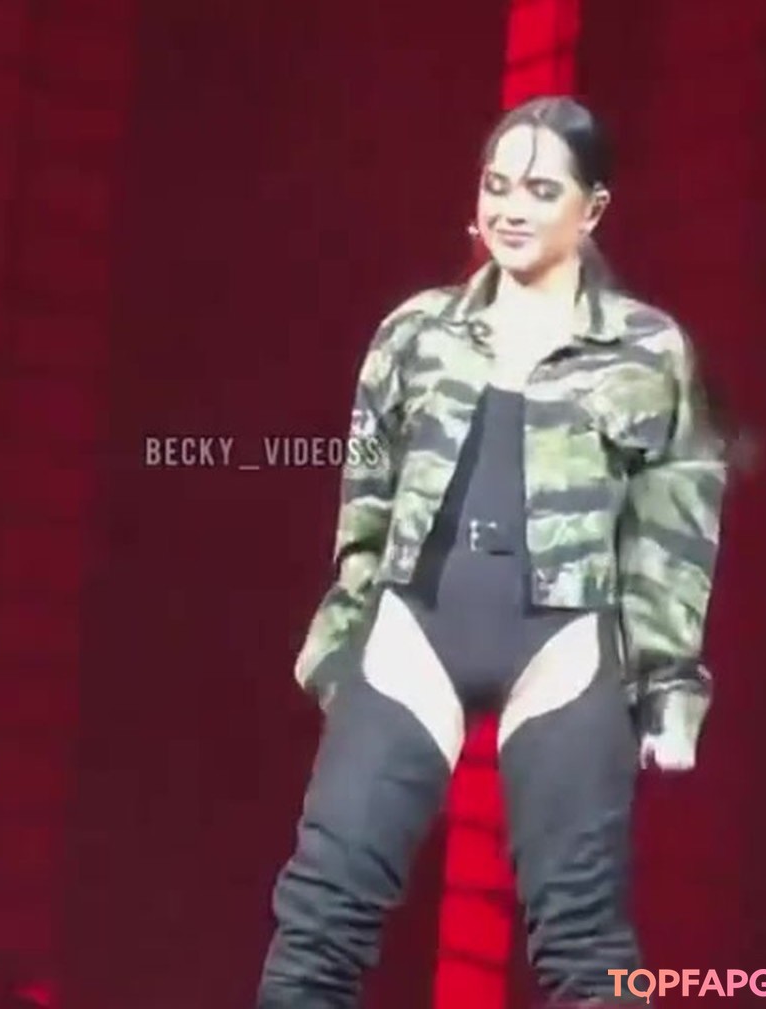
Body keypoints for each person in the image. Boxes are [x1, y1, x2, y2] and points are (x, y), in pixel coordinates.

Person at [255, 95, 729, 1008]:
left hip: (564, 641)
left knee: (587, 946)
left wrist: (667, 682)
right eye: (496, 185)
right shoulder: (415, 331)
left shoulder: (649, 350)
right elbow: (366, 499)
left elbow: (675, 534)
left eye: (541, 190)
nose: (510, 207)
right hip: (415, 628)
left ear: (592, 208)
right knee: (319, 918)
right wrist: (342, 642)